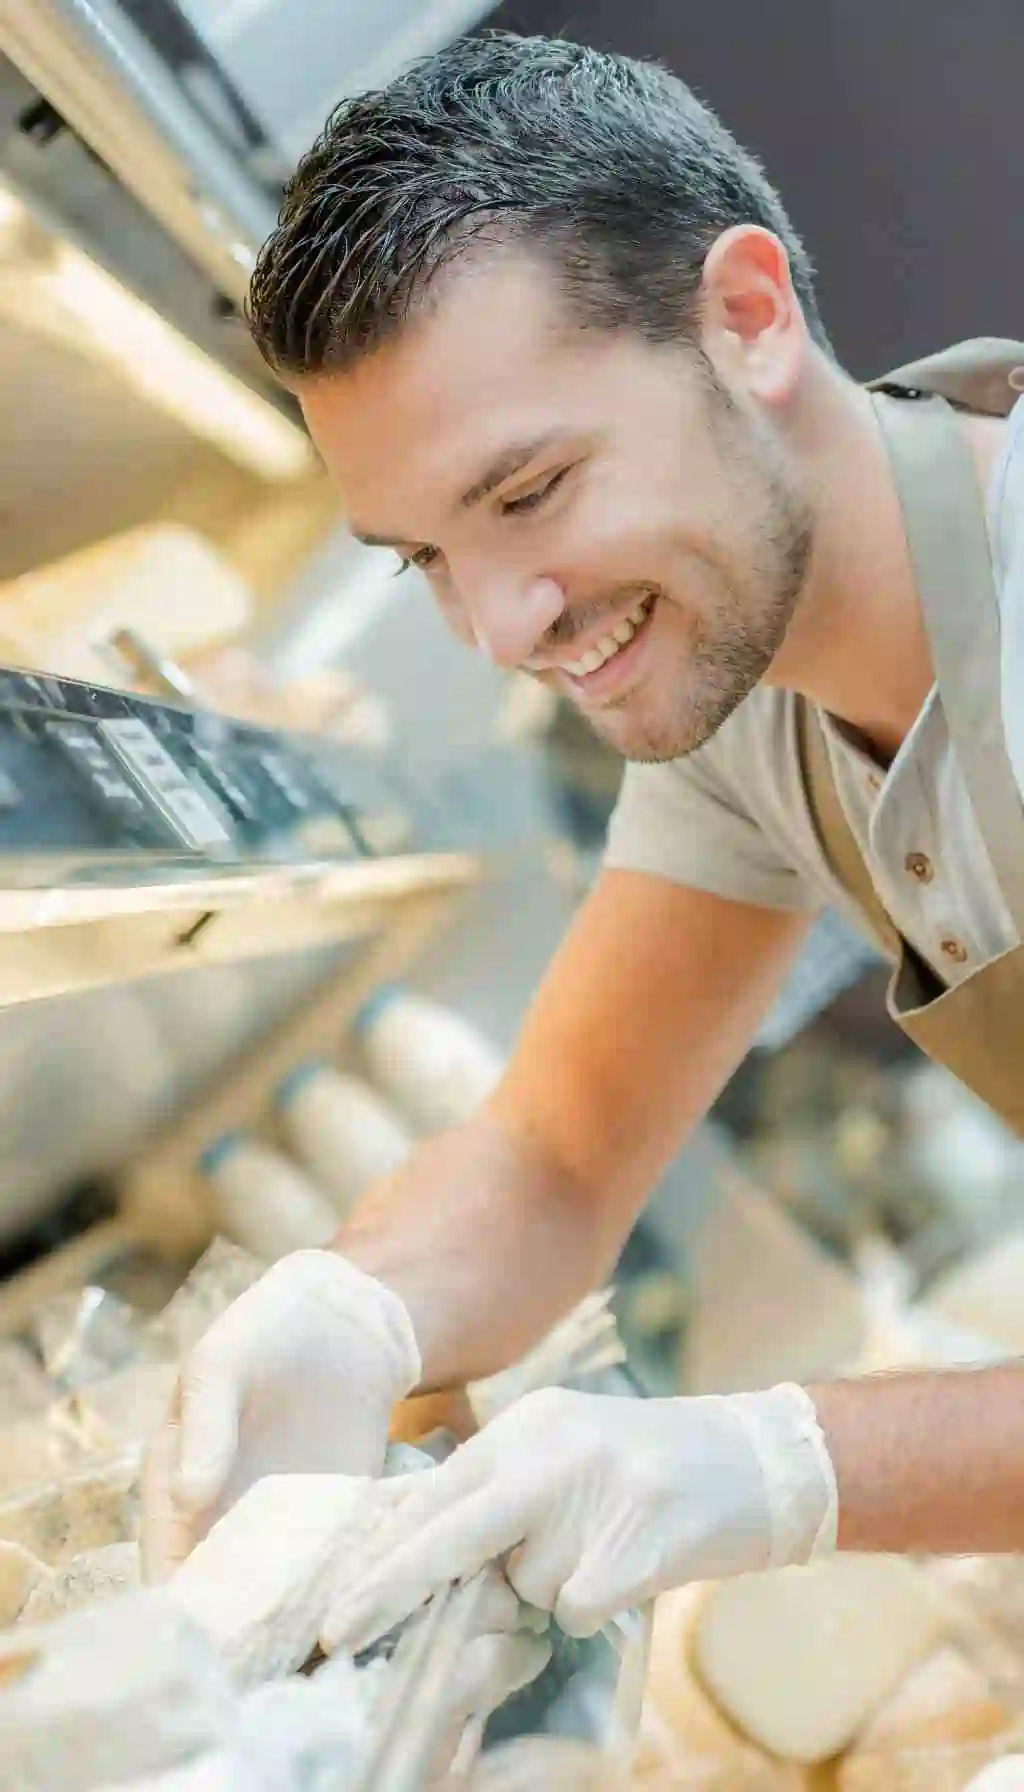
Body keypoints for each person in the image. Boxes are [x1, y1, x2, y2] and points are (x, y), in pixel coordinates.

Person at [144, 32, 1024, 1648]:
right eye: (425, 558)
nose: (501, 626)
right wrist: (354, 1310)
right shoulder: (749, 713)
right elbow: (558, 1149)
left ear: (748, 319)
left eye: (532, 492)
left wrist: (782, 1464)